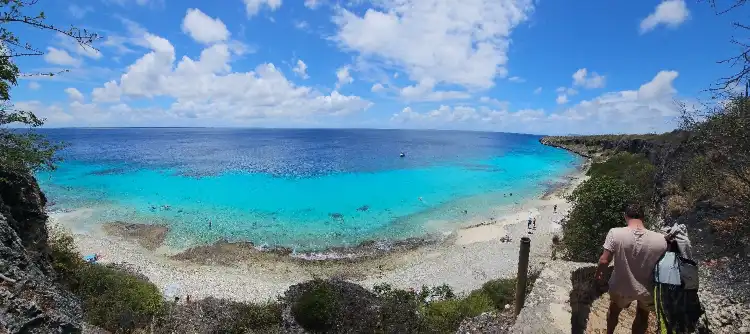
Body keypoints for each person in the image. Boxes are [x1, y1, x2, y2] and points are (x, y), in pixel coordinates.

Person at [595, 203, 667, 334]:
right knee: (642, 315)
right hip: (647, 289)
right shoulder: (661, 239)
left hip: (621, 286)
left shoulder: (615, 233)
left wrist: (599, 278)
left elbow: (604, 260)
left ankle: (609, 332)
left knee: (614, 311)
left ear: (625, 216)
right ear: (643, 218)